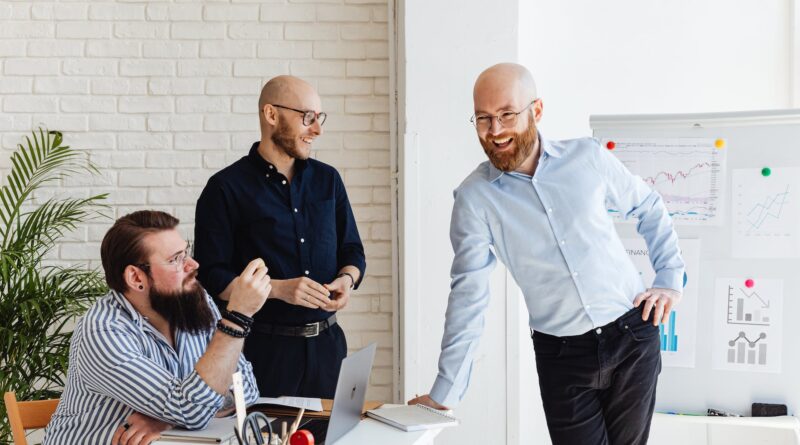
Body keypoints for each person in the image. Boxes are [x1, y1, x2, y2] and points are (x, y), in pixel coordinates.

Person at [408, 63, 685, 445]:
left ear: (536, 111)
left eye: (507, 114)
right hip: (562, 356)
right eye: (483, 119)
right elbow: (468, 296)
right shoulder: (475, 199)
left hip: (631, 336)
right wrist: (444, 395)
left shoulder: (587, 157)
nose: (495, 131)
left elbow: (648, 207)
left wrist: (669, 280)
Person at [195, 75, 366, 398]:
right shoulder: (224, 188)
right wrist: (277, 289)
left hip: (328, 349)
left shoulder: (328, 180)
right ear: (271, 115)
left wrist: (347, 278)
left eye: (319, 118)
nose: (317, 130)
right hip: (261, 353)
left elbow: (352, 249)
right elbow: (211, 275)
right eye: (308, 118)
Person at [43, 210, 268, 445]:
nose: (193, 264)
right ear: (136, 278)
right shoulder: (103, 331)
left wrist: (168, 417)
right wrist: (237, 318)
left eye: (186, 252)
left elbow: (247, 393)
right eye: (175, 259)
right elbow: (191, 409)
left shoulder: (194, 298)